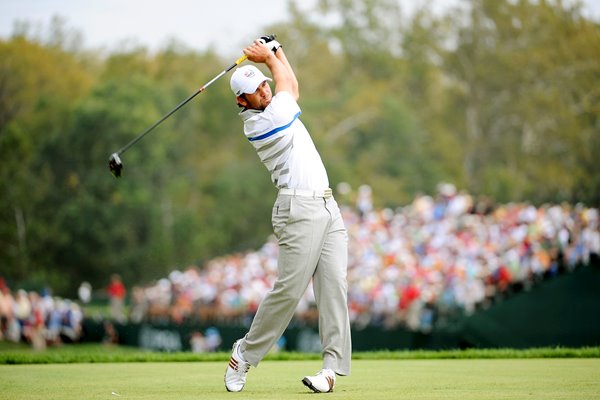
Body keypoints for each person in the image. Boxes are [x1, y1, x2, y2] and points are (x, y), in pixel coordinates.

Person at [223, 37, 351, 393]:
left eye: (263, 84)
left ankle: (330, 369)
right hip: (297, 210)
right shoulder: (260, 125)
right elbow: (288, 86)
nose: (263, 90)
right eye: (255, 90)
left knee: (334, 287)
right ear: (241, 100)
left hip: (327, 205)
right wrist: (271, 57)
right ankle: (244, 355)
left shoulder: (276, 102)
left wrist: (275, 51)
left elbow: (287, 84)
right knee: (289, 292)